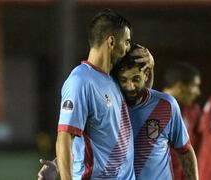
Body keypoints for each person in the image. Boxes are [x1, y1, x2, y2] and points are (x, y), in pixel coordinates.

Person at [37, 47, 198, 180]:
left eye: (136, 79)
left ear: (146, 75)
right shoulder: (107, 108)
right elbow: (79, 146)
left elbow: (185, 151)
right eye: (123, 80)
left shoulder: (166, 106)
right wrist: (57, 165)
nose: (130, 86)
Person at [45, 9, 154, 180]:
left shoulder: (113, 80)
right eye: (126, 42)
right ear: (111, 41)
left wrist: (150, 67)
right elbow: (65, 137)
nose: (128, 48)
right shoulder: (80, 81)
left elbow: (141, 101)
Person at [162, 62, 202, 180]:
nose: (198, 92)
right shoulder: (150, 110)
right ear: (180, 86)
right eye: (195, 86)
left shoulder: (193, 111)